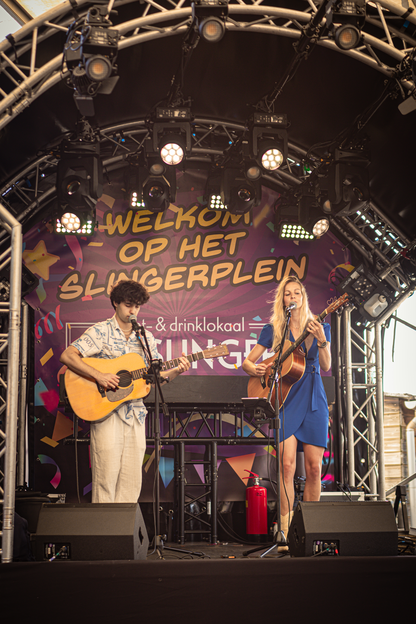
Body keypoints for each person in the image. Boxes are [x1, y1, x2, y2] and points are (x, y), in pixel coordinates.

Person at [60, 279, 191, 504]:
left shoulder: (145, 338)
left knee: (132, 480)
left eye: (137, 306)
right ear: (116, 303)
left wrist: (177, 371)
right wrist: (99, 375)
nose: (133, 311)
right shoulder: (101, 331)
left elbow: (155, 377)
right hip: (106, 413)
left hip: (136, 415)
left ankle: (123, 535)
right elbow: (68, 356)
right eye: (128, 305)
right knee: (106, 476)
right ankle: (103, 536)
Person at [242, 275, 331, 542]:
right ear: (282, 300)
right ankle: (285, 529)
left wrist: (322, 339)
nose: (292, 297)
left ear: (304, 298)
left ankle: (310, 529)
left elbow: (326, 366)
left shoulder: (318, 326)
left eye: (297, 293)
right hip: (285, 398)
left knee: (314, 468)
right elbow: (248, 363)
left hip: (314, 398)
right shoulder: (273, 330)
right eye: (287, 294)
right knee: (287, 465)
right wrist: (253, 368)